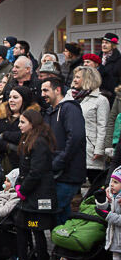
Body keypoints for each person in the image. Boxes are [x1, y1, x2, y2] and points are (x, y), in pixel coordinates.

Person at [0, 109, 57, 260]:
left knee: (36, 228)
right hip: (29, 195)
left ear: (32, 123)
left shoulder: (39, 142)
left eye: (23, 122)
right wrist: (19, 186)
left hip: (39, 197)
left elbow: (36, 172)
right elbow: (25, 169)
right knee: (22, 224)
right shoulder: (27, 139)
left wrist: (22, 190)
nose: (19, 125)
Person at [41, 77, 86, 224]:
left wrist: (60, 161)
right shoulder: (50, 112)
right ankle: (64, 244)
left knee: (55, 210)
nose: (43, 94)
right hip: (55, 172)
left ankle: (61, 243)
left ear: (58, 90)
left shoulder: (70, 109)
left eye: (46, 90)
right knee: (61, 214)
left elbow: (76, 137)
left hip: (68, 173)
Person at [64, 65, 110, 183]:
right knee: (72, 185)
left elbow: (103, 126)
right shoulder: (69, 96)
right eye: (74, 76)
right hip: (71, 147)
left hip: (91, 149)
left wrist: (99, 149)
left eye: (78, 77)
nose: (74, 79)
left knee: (95, 183)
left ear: (88, 79)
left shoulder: (100, 100)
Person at [0, 85, 39, 170]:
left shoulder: (33, 117)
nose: (11, 100)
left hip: (19, 164)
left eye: (15, 97)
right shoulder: (0, 114)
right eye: (10, 97)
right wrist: (7, 146)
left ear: (24, 99)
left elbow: (26, 135)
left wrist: (5, 135)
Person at [100, 167, 121, 260]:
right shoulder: (113, 197)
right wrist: (101, 201)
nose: (112, 184)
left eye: (116, 182)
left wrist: (108, 216)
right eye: (111, 181)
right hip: (115, 237)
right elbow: (104, 208)